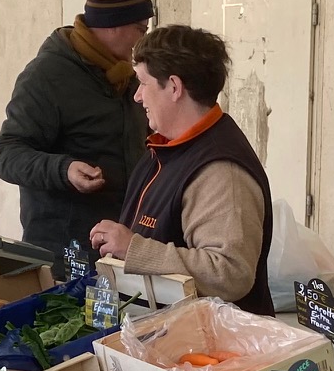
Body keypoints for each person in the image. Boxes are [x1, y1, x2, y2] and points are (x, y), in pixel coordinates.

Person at [90, 24, 275, 313]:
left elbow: (230, 273)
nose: (137, 96)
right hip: (165, 339)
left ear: (174, 87)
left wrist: (133, 249)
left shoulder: (221, 172)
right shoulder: (164, 149)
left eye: (143, 83)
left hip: (213, 351)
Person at [0, 0, 152, 264]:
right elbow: (5, 153)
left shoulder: (126, 75)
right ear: (113, 25)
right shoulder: (47, 76)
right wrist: (63, 170)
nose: (142, 40)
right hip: (63, 250)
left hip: (119, 243)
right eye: (140, 30)